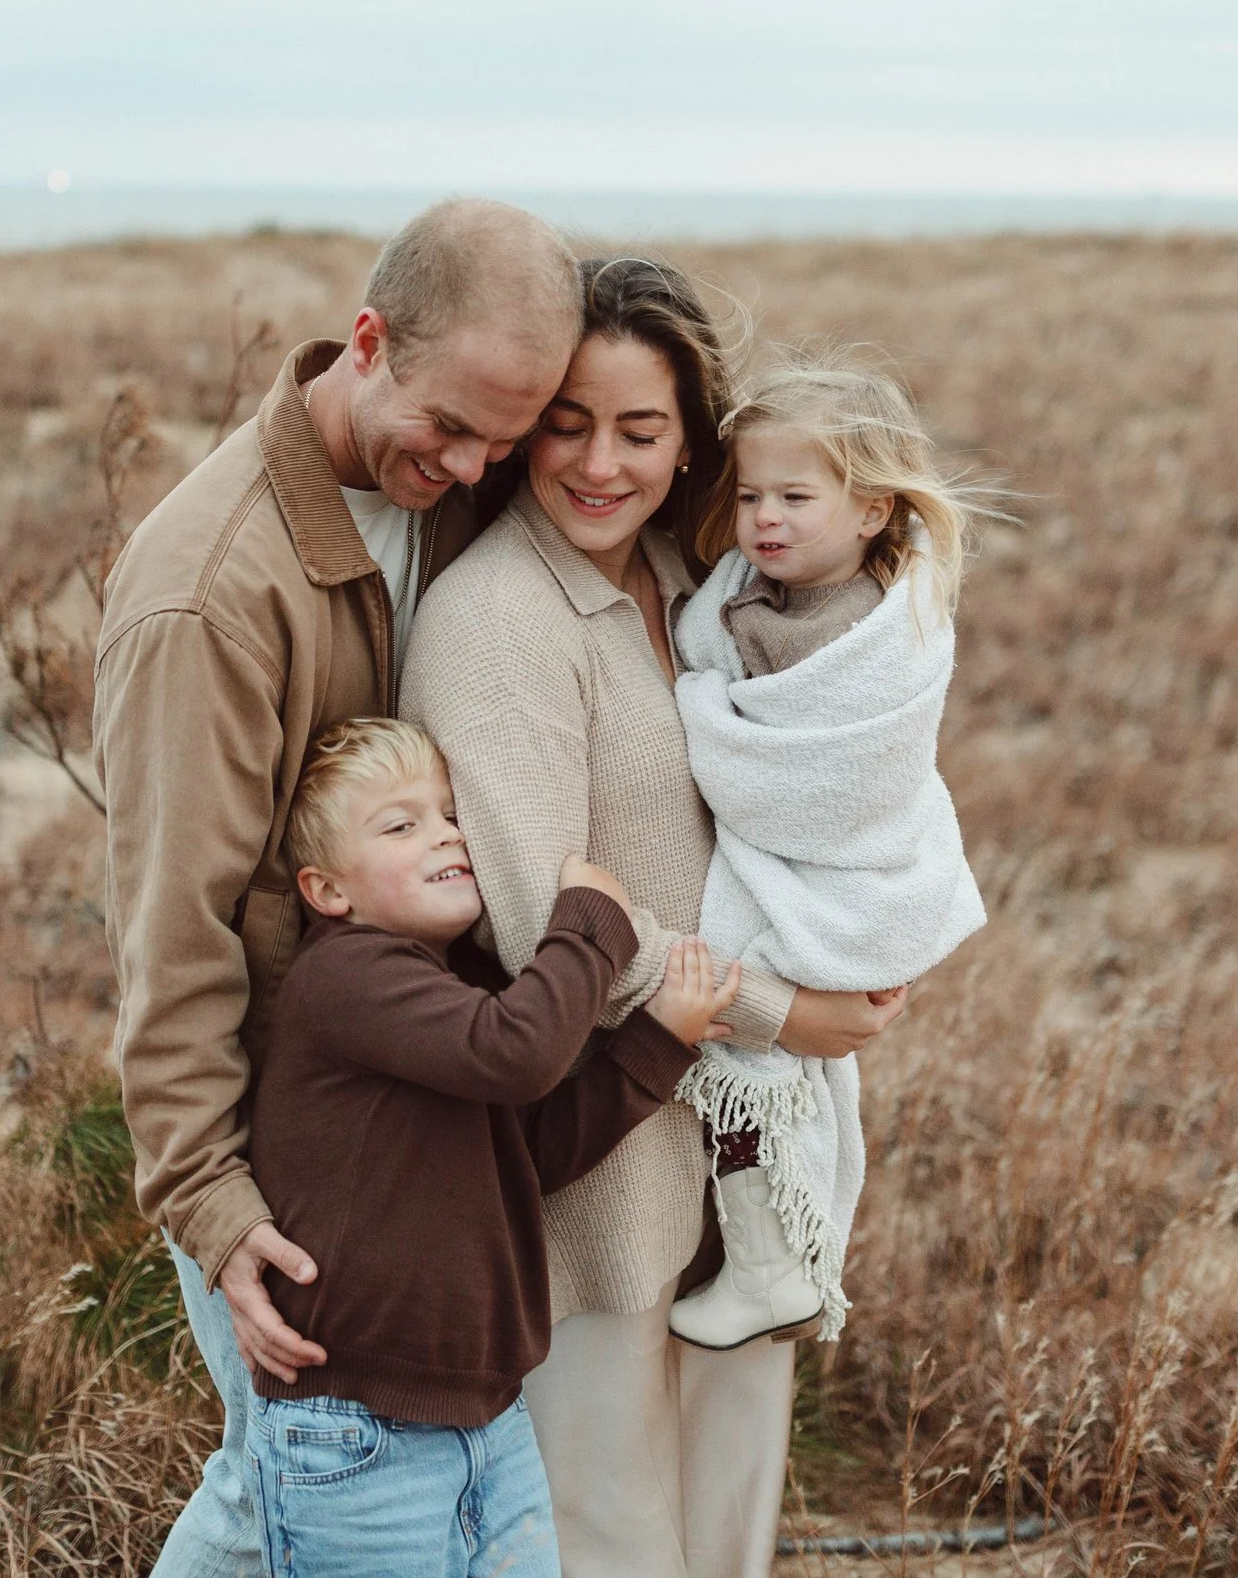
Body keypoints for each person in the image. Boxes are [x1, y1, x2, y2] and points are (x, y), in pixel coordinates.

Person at [88, 198, 582, 1578]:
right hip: (283, 1147)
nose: (474, 465)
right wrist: (213, 1201)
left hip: (420, 1099)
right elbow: (171, 936)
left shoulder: (463, 490)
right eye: (451, 426)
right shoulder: (206, 595)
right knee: (282, 1478)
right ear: (367, 342)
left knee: (292, 1492)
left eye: (505, 439)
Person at [400, 256, 907, 1578]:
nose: (598, 463)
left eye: (639, 428)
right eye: (567, 423)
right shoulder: (494, 619)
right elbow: (539, 919)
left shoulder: (703, 587)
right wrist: (782, 1010)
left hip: (742, 1157)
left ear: (690, 443)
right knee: (609, 1541)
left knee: (727, 1532)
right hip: (603, 1172)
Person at [242, 716, 738, 1577]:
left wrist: (658, 1041)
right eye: (401, 824)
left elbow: (530, 1154)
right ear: (327, 890)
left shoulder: (452, 991)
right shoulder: (344, 975)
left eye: (449, 813)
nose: (445, 834)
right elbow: (519, 1052)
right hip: (355, 1433)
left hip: (489, 1422)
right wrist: (591, 920)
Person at [662, 349, 991, 1353]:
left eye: (796, 497)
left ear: (872, 510)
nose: (764, 519)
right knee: (777, 1060)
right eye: (750, 495)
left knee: (742, 1035)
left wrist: (705, 702)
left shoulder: (845, 631)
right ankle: (781, 1257)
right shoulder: (769, 590)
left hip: (836, 874)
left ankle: (771, 1265)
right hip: (817, 869)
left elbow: (811, 770)